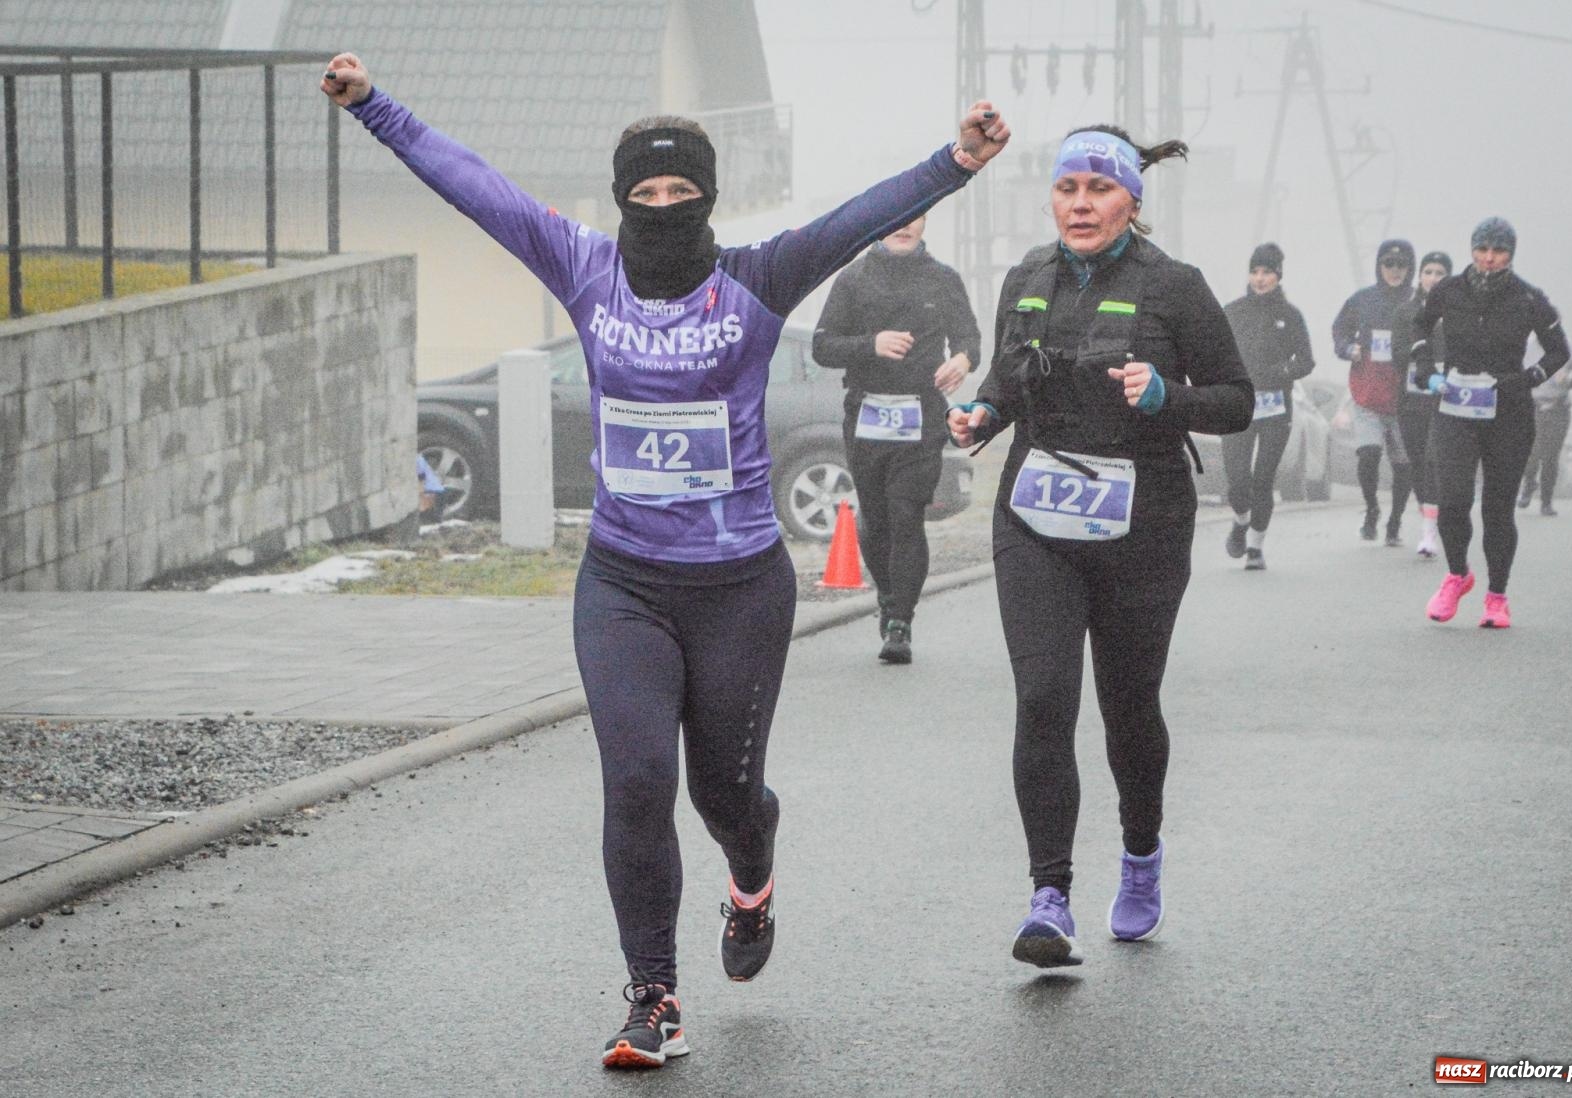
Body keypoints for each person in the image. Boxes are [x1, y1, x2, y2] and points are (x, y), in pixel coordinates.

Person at [320, 53, 1011, 1067]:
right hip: (624, 580)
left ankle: (752, 875)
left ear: (709, 199)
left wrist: (955, 161)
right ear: (617, 202)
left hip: (738, 586)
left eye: (681, 191)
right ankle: (653, 997)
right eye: (643, 193)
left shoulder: (758, 279)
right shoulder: (582, 267)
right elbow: (472, 184)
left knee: (724, 798)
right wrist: (372, 105)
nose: (661, 206)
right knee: (638, 780)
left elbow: (858, 216)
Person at [947, 125, 1251, 967]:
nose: (1081, 204)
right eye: (1067, 188)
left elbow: (1236, 401)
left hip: (1143, 521)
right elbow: (1007, 382)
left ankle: (1142, 856)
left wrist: (1166, 393)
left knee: (1127, 707)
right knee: (1044, 697)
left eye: (1099, 189)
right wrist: (981, 416)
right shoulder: (1027, 278)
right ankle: (1049, 898)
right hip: (1036, 515)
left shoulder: (1176, 288)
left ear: (1132, 200)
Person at [811, 215, 982, 661]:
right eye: (897, 220)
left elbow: (970, 339)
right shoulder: (853, 279)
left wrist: (962, 361)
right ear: (881, 225)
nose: (904, 227)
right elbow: (823, 346)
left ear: (926, 222)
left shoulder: (942, 279)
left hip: (922, 413)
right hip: (866, 412)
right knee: (878, 517)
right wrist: (871, 344)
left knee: (907, 513)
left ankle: (901, 622)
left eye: (916, 219)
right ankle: (888, 597)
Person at [1411, 217, 1569, 628]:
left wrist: (1527, 379)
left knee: (1498, 509)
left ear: (1510, 255)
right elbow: (1419, 328)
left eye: (1498, 252)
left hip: (1508, 413)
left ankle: (1496, 598)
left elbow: (1558, 351)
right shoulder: (1448, 290)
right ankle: (1457, 575)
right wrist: (1427, 371)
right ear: (1472, 249)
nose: (1488, 259)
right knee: (1453, 501)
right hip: (1456, 406)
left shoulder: (1529, 298)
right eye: (1482, 250)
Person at [1220, 242, 1315, 570]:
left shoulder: (1290, 315)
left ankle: (1256, 547)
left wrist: (1283, 373)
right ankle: (1241, 520)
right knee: (1237, 479)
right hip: (1238, 405)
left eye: (1267, 272)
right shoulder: (1233, 311)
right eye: (1255, 271)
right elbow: (1213, 353)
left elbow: (1306, 360)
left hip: (1276, 407)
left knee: (1263, 479)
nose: (1260, 279)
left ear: (1278, 276)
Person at [1332, 239, 1416, 545]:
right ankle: (1371, 510)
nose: (1395, 271)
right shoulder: (1363, 300)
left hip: (1405, 398)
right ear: (1379, 267)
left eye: (1401, 265)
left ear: (1410, 269)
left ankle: (1395, 521)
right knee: (1368, 455)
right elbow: (1339, 329)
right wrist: (1346, 348)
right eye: (1388, 264)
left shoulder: (1418, 303)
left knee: (1403, 466)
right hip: (1367, 394)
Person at [1393, 251, 1453, 558]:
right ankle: (1428, 514)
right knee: (1417, 461)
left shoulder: (1458, 310)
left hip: (1445, 398)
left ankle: (1430, 532)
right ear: (1419, 276)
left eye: (1440, 272)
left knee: (1433, 459)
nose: (1432, 278)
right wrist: (1421, 355)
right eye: (1428, 272)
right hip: (1412, 397)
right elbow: (1396, 353)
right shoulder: (1406, 311)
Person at [1519, 342, 1572, 516]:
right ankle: (1529, 484)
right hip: (1532, 407)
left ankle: (1546, 502)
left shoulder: (1570, 350)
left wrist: (1568, 381)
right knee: (1531, 453)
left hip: (1558, 409)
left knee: (1550, 456)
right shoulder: (1525, 349)